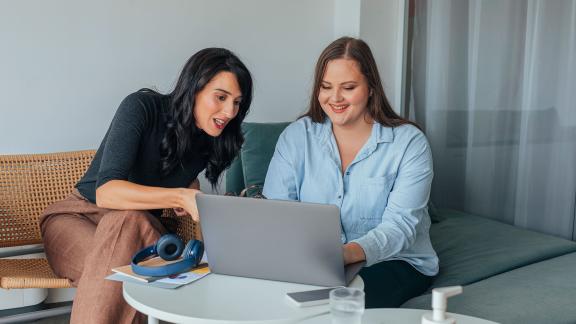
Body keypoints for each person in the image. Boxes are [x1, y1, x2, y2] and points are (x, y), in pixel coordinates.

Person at [40, 48, 253, 324]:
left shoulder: (210, 138)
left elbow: (176, 174)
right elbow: (106, 192)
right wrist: (179, 196)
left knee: (122, 253)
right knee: (125, 268)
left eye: (237, 102)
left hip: (138, 230)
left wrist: (189, 188)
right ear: (194, 88)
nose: (229, 112)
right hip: (77, 217)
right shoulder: (141, 107)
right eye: (221, 97)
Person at [263, 37, 438, 308]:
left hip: (394, 261)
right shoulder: (297, 137)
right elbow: (277, 210)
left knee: (335, 309)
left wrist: (342, 255)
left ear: (370, 88)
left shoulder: (409, 143)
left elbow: (400, 227)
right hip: (313, 263)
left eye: (348, 87)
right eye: (326, 87)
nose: (335, 98)